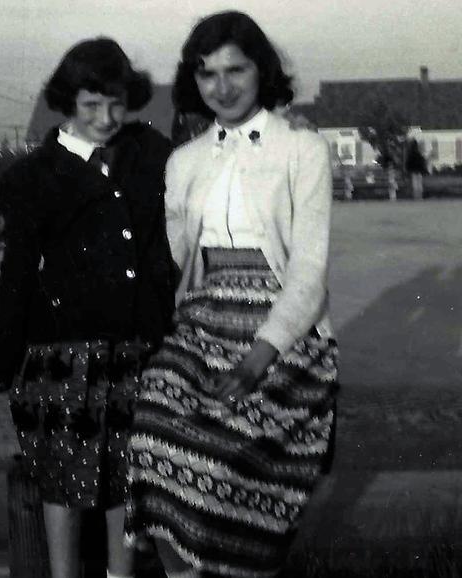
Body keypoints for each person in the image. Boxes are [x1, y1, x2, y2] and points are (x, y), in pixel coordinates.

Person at [125, 11, 339, 578]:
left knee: (230, 448)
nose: (221, 87)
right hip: (200, 323)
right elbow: (169, 262)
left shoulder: (303, 148)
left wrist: (258, 358)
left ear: (262, 70)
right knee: (149, 434)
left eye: (235, 70)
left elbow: (309, 268)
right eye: (207, 74)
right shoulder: (185, 160)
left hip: (285, 330)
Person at [0, 38, 176, 578]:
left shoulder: (149, 155)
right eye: (91, 106)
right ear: (67, 103)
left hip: (135, 350)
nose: (106, 118)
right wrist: (0, 360)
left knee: (124, 476)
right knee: (62, 478)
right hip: (61, 358)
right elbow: (16, 277)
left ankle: (119, 573)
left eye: (116, 104)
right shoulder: (33, 178)